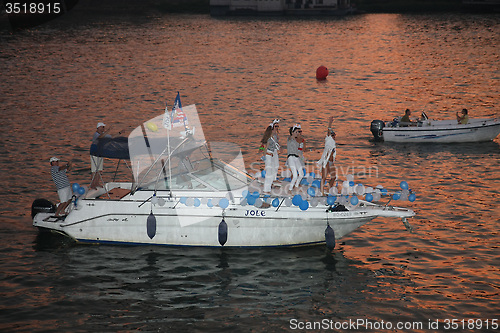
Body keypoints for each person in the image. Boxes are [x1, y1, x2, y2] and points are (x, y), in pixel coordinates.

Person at [317, 117, 337, 195]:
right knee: (324, 177)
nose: (334, 136)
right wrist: (330, 123)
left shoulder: (333, 143)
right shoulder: (328, 139)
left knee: (333, 177)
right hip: (326, 161)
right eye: (332, 135)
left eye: (334, 135)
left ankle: (328, 190)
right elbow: (328, 130)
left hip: (331, 162)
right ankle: (322, 192)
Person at [260, 119, 280, 194]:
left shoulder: (273, 137)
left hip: (271, 155)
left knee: (271, 172)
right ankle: (266, 190)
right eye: (276, 126)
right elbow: (265, 147)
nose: (277, 128)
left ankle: (268, 189)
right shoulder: (270, 138)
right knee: (269, 173)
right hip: (268, 155)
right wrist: (264, 156)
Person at [90, 122, 112, 189]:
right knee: (94, 170)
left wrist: (120, 133)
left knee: (99, 169)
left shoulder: (103, 134)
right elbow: (99, 138)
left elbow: (111, 137)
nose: (103, 128)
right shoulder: (96, 134)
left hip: (100, 154)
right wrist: (107, 131)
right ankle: (93, 184)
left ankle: (97, 183)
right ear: (99, 127)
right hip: (94, 154)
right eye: (102, 127)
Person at [287, 124, 305, 193]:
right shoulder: (290, 139)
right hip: (291, 157)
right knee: (294, 175)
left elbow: (301, 148)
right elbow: (291, 137)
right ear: (292, 132)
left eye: (298, 132)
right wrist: (295, 129)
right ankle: (290, 189)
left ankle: (296, 186)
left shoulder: (297, 141)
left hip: (296, 157)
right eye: (296, 132)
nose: (298, 133)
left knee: (301, 174)